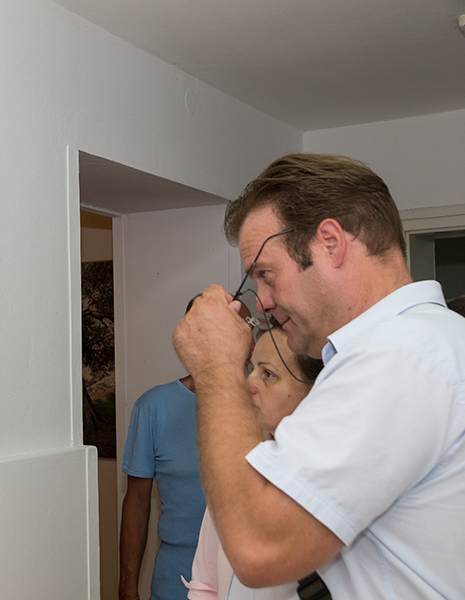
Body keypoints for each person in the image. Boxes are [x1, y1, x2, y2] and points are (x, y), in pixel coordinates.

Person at [172, 153, 465, 598]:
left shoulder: (396, 356)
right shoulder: (428, 340)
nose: (264, 301)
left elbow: (258, 548)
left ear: (330, 242)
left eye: (266, 274)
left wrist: (215, 368)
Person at [182, 322, 324, 600]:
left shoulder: (334, 482)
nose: (249, 383)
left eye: (268, 374)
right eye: (253, 369)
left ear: (314, 391)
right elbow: (205, 584)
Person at [119, 297, 230, 600]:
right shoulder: (154, 407)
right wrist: (127, 585)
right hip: (176, 578)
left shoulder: (264, 403)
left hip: (246, 577)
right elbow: (137, 502)